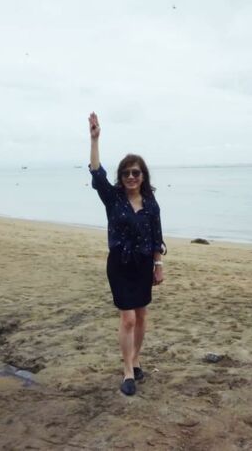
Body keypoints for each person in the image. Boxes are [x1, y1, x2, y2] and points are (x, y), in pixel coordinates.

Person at [88, 112, 166, 396]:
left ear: (143, 176)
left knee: (142, 316)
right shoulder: (113, 199)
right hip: (120, 265)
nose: (131, 177)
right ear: (121, 177)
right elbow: (97, 174)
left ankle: (136, 359)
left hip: (143, 265)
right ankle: (127, 371)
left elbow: (157, 237)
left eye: (136, 173)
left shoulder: (151, 203)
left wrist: (158, 265)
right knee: (128, 319)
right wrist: (94, 140)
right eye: (126, 173)